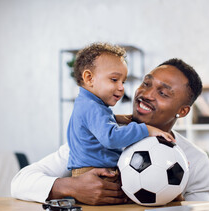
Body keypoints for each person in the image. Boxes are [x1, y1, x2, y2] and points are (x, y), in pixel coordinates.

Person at [11, 58, 209, 205]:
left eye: (162, 93)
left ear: (183, 111)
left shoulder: (195, 159)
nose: (146, 94)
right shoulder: (98, 136)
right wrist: (71, 187)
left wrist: (175, 200)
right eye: (146, 83)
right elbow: (20, 182)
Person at [66, 43, 174, 179]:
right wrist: (146, 130)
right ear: (89, 78)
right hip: (96, 174)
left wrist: (117, 119)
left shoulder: (86, 103)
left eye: (123, 82)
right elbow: (111, 138)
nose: (121, 87)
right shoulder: (92, 106)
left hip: (91, 170)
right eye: (114, 80)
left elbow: (94, 125)